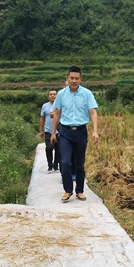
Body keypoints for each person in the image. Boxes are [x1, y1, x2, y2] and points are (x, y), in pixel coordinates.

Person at [51, 66, 99, 202]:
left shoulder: (87, 94)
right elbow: (57, 113)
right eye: (71, 78)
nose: (74, 80)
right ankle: (68, 190)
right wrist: (53, 132)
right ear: (67, 78)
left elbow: (93, 112)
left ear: (80, 79)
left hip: (81, 132)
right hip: (65, 131)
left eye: (76, 78)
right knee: (65, 162)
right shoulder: (61, 94)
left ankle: (79, 191)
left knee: (79, 164)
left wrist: (95, 131)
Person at [39, 89, 60, 172]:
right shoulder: (45, 106)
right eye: (51, 94)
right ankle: (50, 166)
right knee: (49, 148)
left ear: (57, 96)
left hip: (59, 131)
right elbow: (42, 119)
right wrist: (41, 130)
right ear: (48, 96)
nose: (52, 96)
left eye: (54, 94)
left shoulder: (60, 106)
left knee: (58, 149)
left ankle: (56, 166)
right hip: (48, 131)